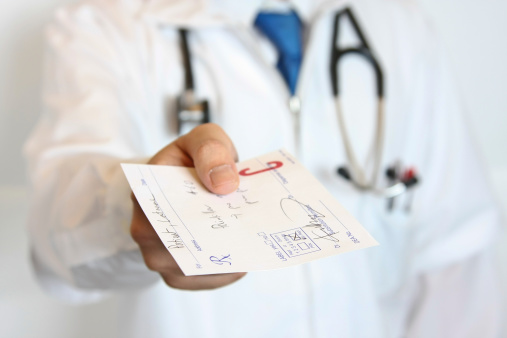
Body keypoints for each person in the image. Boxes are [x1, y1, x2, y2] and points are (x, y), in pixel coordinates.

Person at [25, 0, 504, 337]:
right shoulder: (103, 24)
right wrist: (135, 206)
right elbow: (55, 236)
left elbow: (457, 257)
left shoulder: (401, 26)